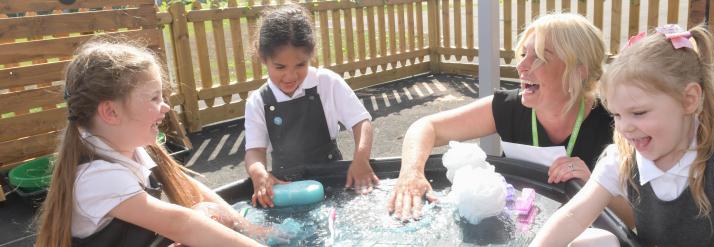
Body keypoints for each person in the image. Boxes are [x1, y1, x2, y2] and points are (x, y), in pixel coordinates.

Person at [530, 24, 714, 246]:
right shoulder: (621, 159)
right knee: (591, 240)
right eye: (617, 115)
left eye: (639, 112)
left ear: (689, 100)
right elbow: (573, 216)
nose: (625, 128)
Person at [388, 13, 628, 222]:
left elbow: (635, 219)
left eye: (540, 57)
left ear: (578, 70)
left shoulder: (618, 125)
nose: (521, 66)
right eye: (523, 54)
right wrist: (411, 173)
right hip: (515, 227)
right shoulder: (509, 106)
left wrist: (595, 184)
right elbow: (426, 126)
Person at [34, 41, 265, 246]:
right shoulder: (96, 177)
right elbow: (183, 224)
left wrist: (250, 229)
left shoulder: (130, 148)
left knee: (208, 213)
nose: (165, 107)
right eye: (154, 98)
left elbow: (192, 189)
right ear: (111, 112)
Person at [244, 3, 378, 208]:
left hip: (334, 179)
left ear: (310, 56)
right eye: (280, 67)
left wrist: (361, 159)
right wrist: (258, 173)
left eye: (300, 65)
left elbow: (361, 122)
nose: (290, 76)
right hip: (288, 188)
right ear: (263, 59)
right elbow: (254, 151)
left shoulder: (327, 82)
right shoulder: (258, 101)